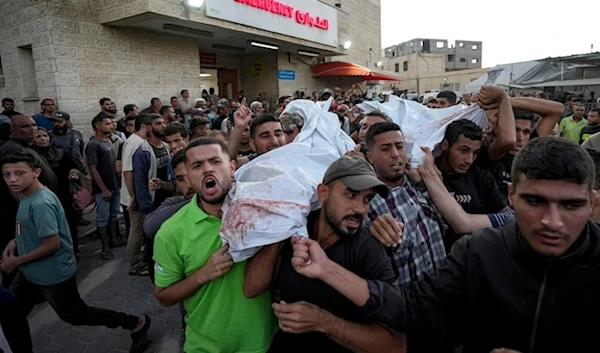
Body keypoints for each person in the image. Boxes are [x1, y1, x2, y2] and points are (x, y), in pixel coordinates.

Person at [288, 137, 600, 353]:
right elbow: (410, 306)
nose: (553, 221)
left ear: (592, 202)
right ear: (511, 197)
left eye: (571, 206)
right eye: (535, 201)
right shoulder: (479, 251)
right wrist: (326, 269)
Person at [244, 156, 406, 353]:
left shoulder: (368, 250)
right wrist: (281, 230)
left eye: (367, 199)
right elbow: (251, 288)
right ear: (323, 193)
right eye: (351, 195)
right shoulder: (298, 228)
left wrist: (323, 322)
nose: (360, 209)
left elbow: (395, 345)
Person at [0, 151, 151, 353]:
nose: (12, 179)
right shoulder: (26, 195)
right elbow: (28, 227)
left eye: (19, 173)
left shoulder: (41, 203)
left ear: (36, 172)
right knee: (11, 313)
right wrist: (15, 241)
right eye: (7, 174)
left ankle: (135, 323)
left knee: (76, 315)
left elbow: (51, 244)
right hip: (30, 272)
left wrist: (16, 261)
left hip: (52, 275)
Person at [153, 138, 277, 353]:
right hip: (206, 346)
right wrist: (203, 274)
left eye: (215, 161)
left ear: (231, 168)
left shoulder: (263, 212)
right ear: (188, 178)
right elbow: (163, 296)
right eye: (197, 166)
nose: (208, 169)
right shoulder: (171, 232)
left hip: (263, 342)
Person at [363, 123, 446, 285]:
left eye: (399, 147)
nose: (395, 154)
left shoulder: (421, 185)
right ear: (370, 157)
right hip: (409, 303)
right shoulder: (368, 206)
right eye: (385, 149)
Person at [86, 115, 121, 260]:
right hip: (103, 188)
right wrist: (103, 189)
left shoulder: (108, 141)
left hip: (114, 185)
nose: (112, 125)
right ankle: (105, 246)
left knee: (113, 215)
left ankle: (113, 240)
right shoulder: (93, 145)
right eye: (107, 123)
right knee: (102, 217)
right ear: (98, 126)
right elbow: (93, 169)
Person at [121, 114, 151, 277]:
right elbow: (127, 171)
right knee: (137, 230)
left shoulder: (138, 141)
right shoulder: (134, 142)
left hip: (137, 193)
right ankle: (135, 264)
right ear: (145, 126)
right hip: (134, 196)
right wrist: (133, 196)